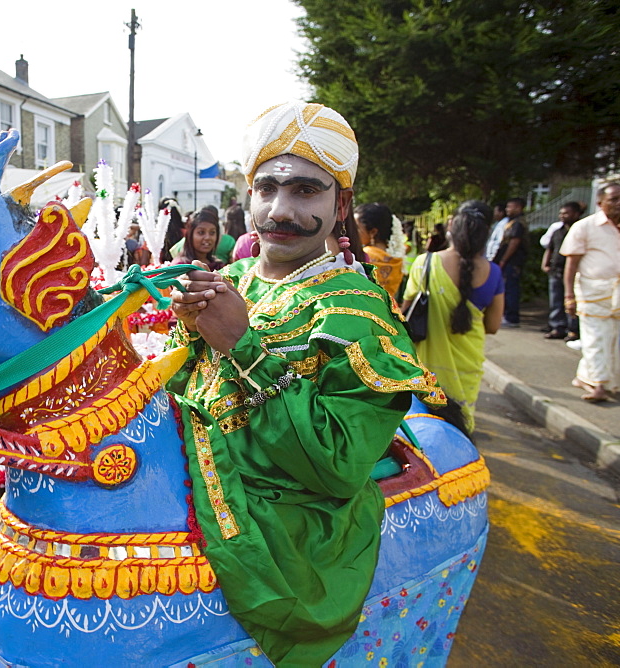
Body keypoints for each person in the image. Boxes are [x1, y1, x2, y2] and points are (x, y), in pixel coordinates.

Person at [167, 101, 445, 665]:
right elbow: (194, 383)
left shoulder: (361, 312)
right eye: (266, 188)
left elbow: (337, 466)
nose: (279, 210)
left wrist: (244, 349)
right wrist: (191, 330)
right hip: (193, 460)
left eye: (305, 192)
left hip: (292, 517)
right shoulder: (235, 277)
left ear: (341, 204)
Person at [402, 201, 504, 433]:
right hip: (467, 365)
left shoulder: (424, 263)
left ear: (451, 228)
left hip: (425, 367)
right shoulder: (494, 272)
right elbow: (493, 326)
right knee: (460, 427)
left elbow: (405, 311)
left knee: (422, 427)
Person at [560, 183, 620, 402]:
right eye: (614, 199)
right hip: (593, 291)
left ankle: (595, 378)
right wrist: (569, 296)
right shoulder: (585, 227)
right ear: (600, 202)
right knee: (594, 337)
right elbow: (571, 265)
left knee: (612, 337)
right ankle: (598, 384)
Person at [540, 202, 582, 340]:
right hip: (556, 270)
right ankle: (557, 327)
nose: (562, 216)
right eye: (561, 213)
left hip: (574, 272)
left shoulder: (580, 231)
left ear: (576, 214)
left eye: (566, 213)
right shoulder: (557, 231)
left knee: (571, 301)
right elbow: (550, 249)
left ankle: (573, 330)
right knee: (556, 300)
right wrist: (545, 263)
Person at [355, 202, 405, 297]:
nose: (352, 231)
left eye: (356, 227)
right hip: (387, 310)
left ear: (373, 232)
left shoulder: (365, 255)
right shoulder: (396, 259)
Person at [493, 197, 528, 327]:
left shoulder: (518, 223)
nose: (508, 210)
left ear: (518, 207)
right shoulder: (510, 222)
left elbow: (514, 242)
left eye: (510, 207)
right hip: (508, 261)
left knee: (510, 288)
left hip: (513, 262)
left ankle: (511, 317)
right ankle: (506, 314)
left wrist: (503, 259)